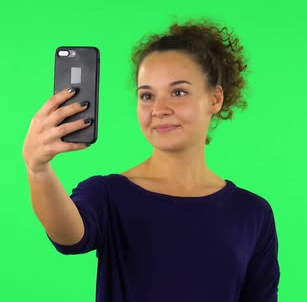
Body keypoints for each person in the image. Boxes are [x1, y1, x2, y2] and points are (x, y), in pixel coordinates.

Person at [22, 18, 280, 302]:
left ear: (215, 99)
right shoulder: (108, 195)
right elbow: (68, 236)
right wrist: (38, 169)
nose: (159, 109)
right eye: (147, 95)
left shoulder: (252, 214)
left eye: (178, 92)